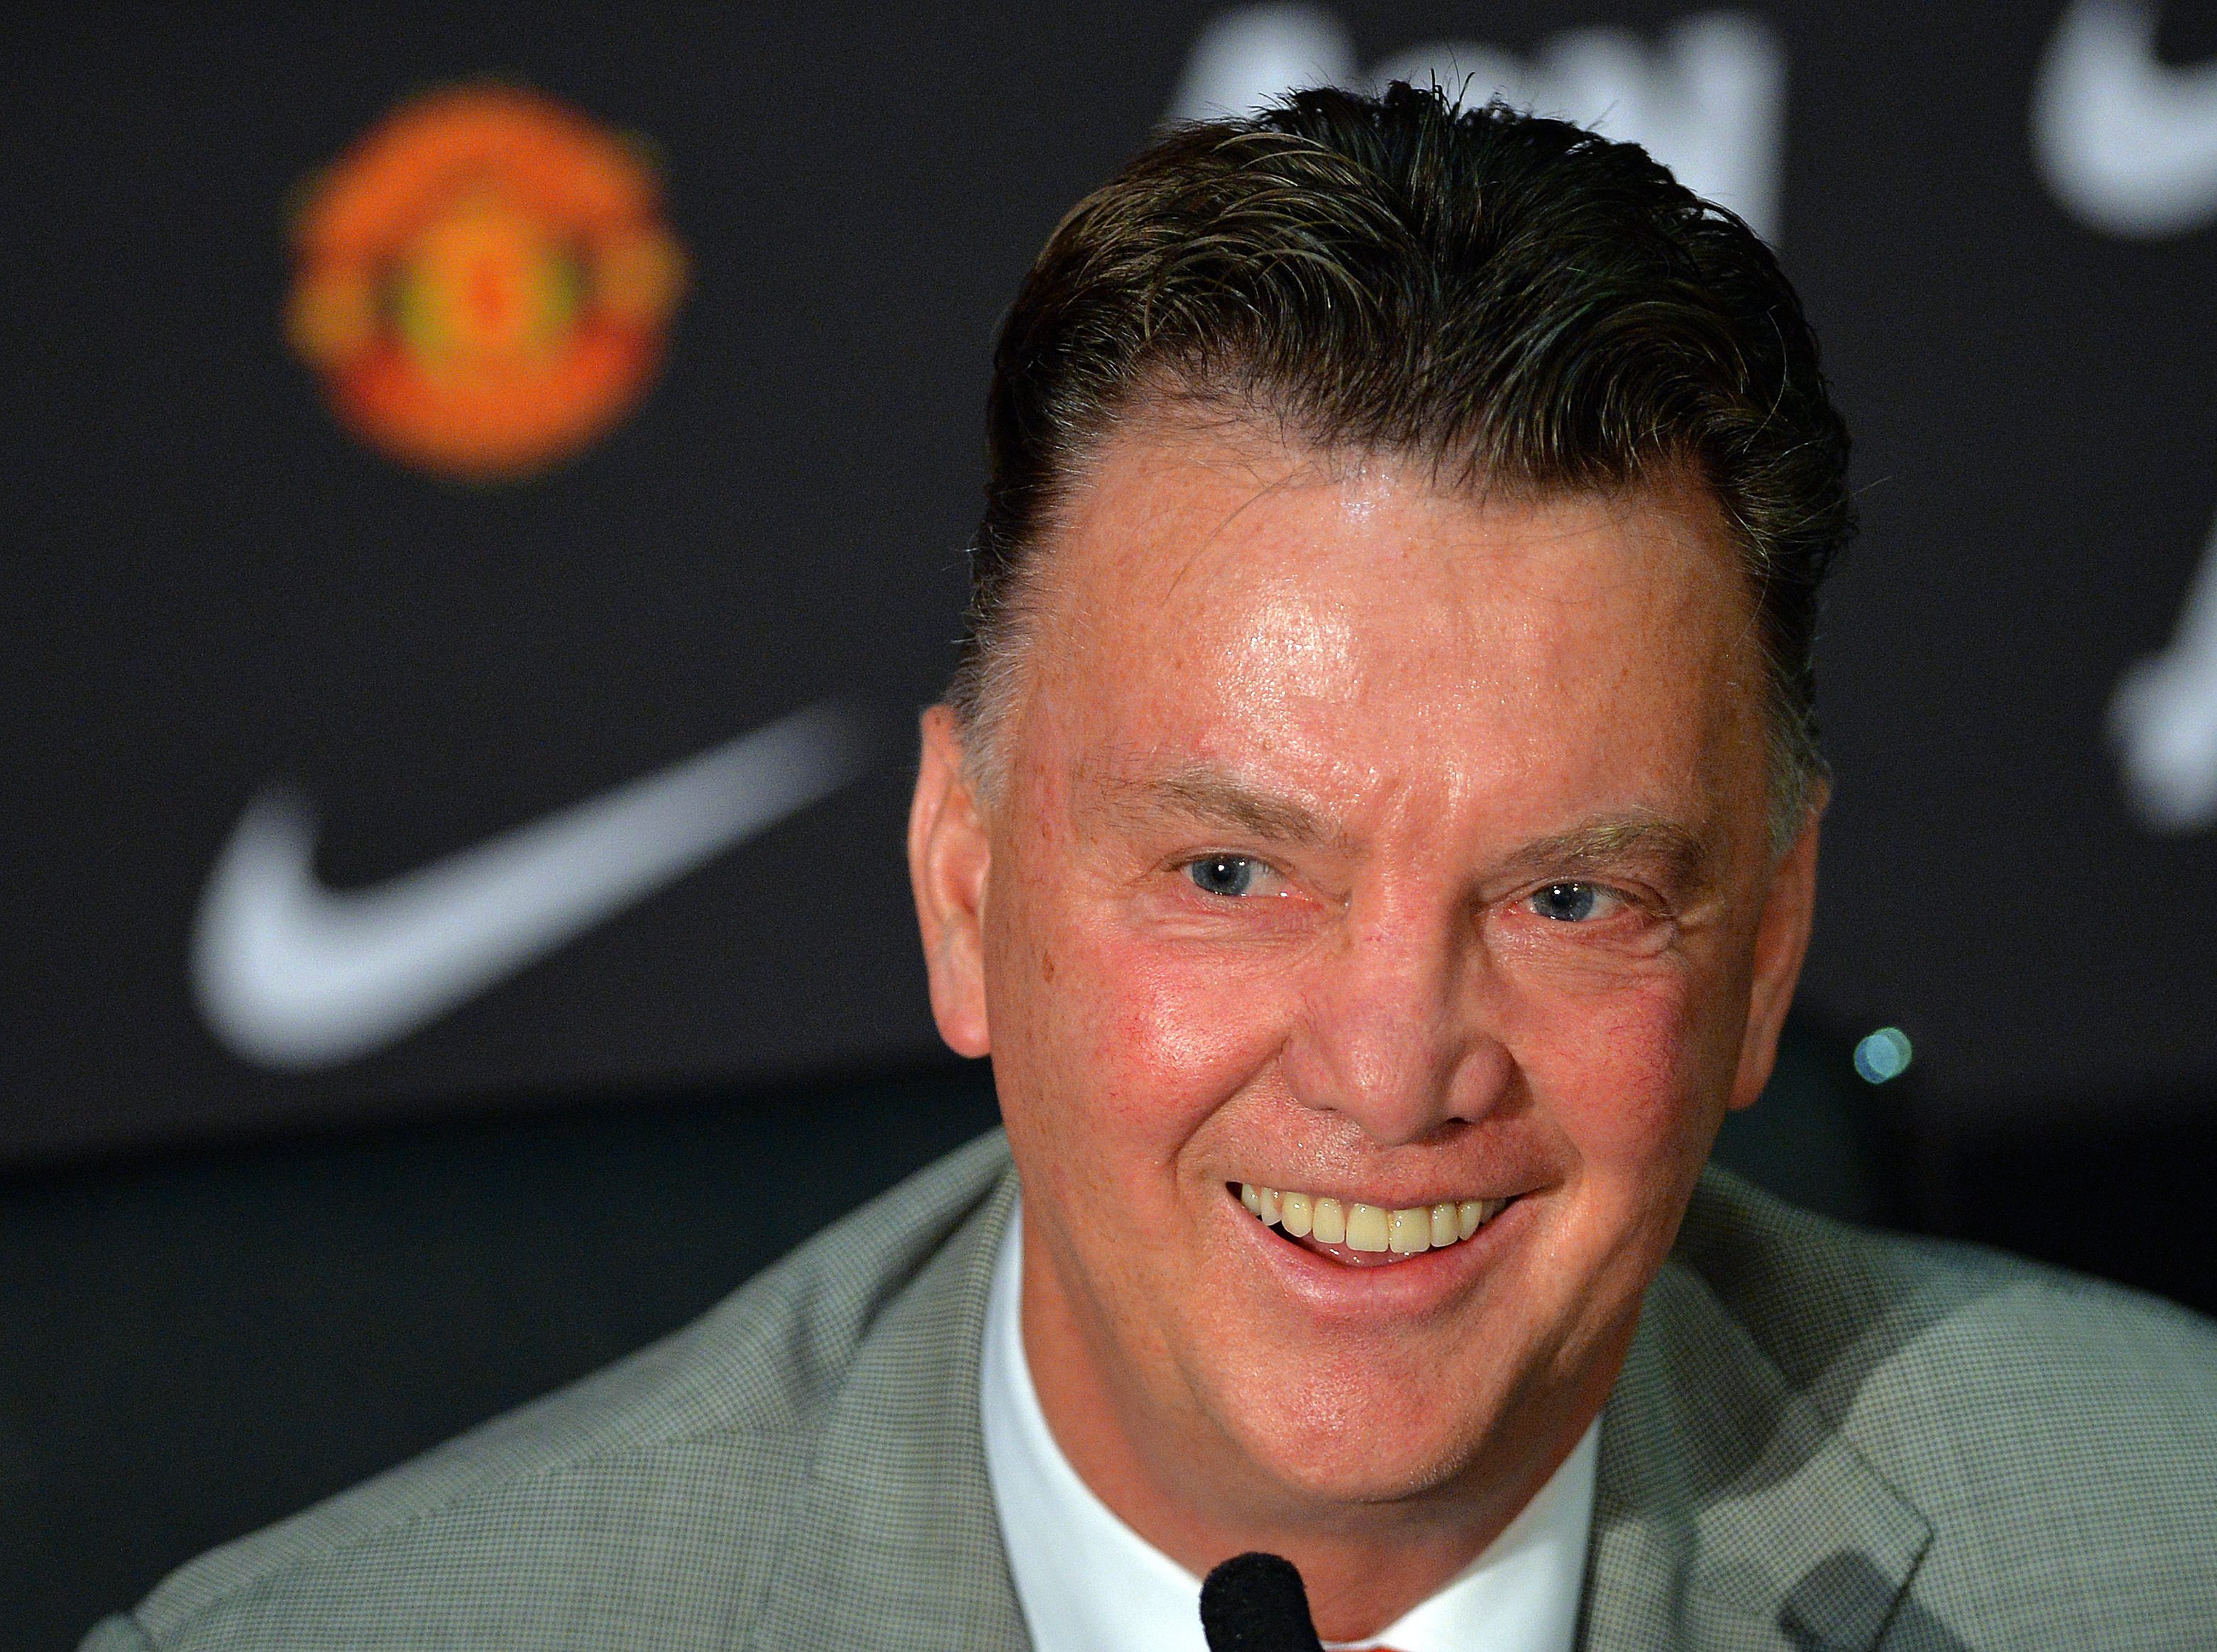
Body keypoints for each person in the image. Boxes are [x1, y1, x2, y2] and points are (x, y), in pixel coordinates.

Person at [88, 85, 2217, 1652]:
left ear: (1764, 954)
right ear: (962, 888)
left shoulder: (2160, 1552)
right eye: (1228, 874)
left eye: (1568, 901)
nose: (1391, 1070)